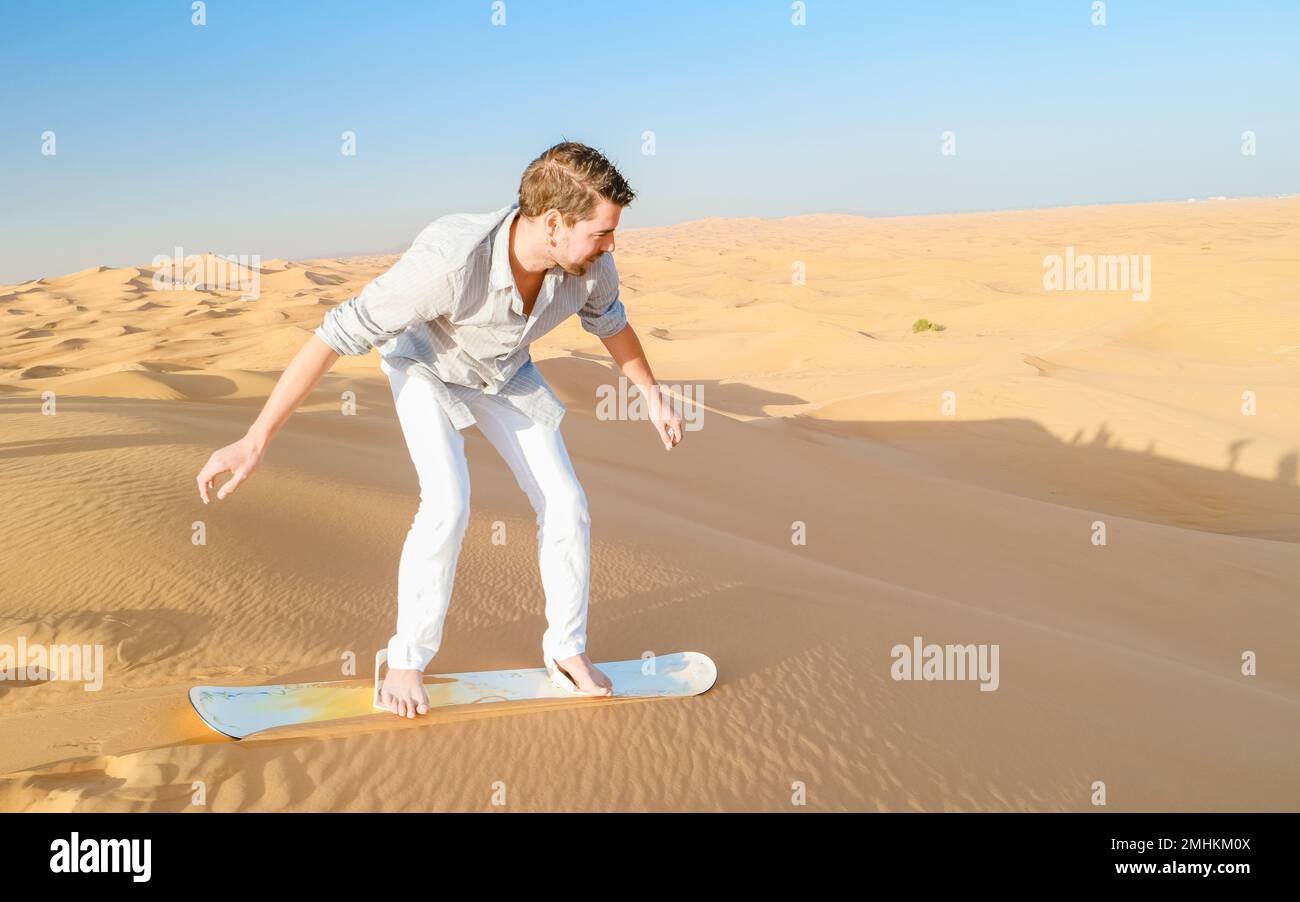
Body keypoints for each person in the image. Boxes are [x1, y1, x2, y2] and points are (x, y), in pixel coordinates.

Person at [195, 141, 683, 718]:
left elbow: (613, 325)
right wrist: (256, 439)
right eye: (601, 233)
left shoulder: (590, 266)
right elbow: (334, 334)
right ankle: (405, 660)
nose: (610, 245)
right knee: (449, 502)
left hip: (505, 372)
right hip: (426, 368)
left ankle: (566, 651)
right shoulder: (450, 263)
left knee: (566, 503)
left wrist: (650, 395)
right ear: (554, 222)